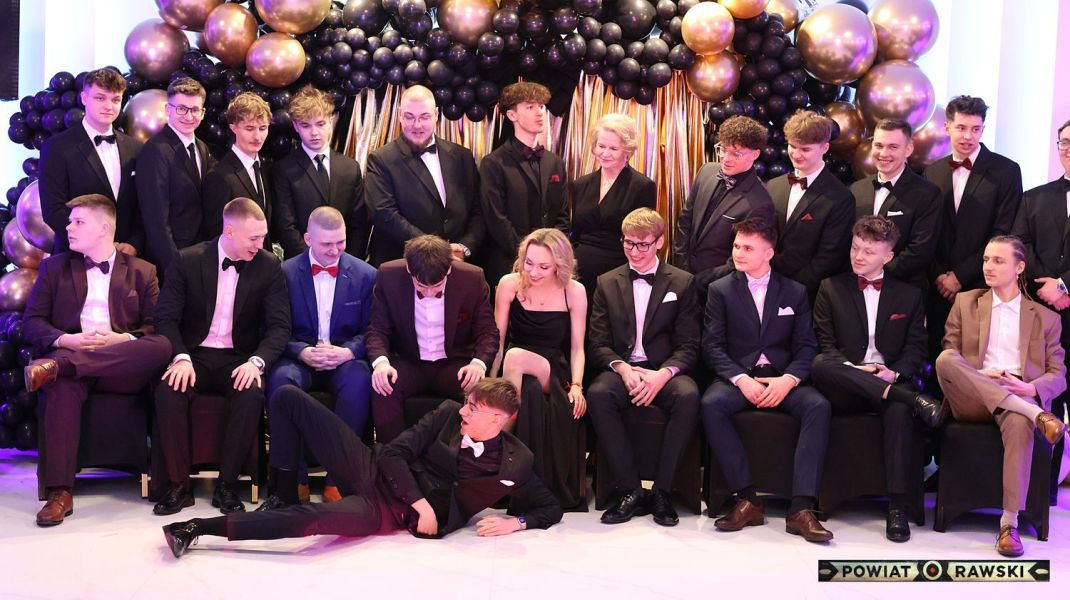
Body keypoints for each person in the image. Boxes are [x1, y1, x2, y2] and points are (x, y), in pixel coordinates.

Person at [162, 379, 563, 559]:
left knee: (312, 520)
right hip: (371, 468)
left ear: (498, 420)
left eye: (473, 408)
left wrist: (518, 522)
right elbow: (393, 454)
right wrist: (421, 502)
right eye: (467, 402)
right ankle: (282, 489)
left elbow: (551, 507)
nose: (464, 410)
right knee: (287, 396)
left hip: (384, 511)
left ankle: (197, 528)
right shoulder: (446, 413)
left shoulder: (516, 461)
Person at [22, 194, 172, 526]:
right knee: (62, 385)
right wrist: (68, 340)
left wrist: (123, 339)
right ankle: (60, 492)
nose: (68, 228)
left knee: (161, 346)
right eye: (69, 222)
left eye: (78, 222)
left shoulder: (143, 271)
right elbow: (31, 322)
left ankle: (62, 367)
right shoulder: (54, 268)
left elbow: (156, 326)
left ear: (104, 228)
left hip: (120, 365)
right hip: (73, 353)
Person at [152, 198, 291, 516]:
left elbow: (280, 327)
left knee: (251, 392)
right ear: (229, 231)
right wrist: (180, 357)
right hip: (194, 354)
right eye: (253, 238)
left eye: (262, 237)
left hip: (238, 357)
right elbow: (165, 318)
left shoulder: (268, 266)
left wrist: (256, 362)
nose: (260, 244)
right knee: (168, 390)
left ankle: (227, 485)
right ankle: (178, 486)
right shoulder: (187, 260)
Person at [701, 217, 833, 543]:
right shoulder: (720, 290)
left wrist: (788, 380)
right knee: (710, 404)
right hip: (740, 377)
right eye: (736, 246)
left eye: (748, 248)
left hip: (781, 378)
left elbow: (807, 346)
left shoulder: (795, 291)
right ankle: (747, 499)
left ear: (769, 253)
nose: (738, 253)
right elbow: (712, 346)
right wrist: (740, 379)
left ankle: (801, 508)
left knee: (818, 406)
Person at [811, 216, 942, 543]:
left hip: (889, 378)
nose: (858, 256)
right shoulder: (830, 288)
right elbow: (826, 346)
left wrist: (893, 373)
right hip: (846, 382)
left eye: (868, 252)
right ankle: (913, 399)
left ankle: (897, 506)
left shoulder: (909, 295)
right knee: (820, 364)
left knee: (898, 411)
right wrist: (853, 370)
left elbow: (916, 348)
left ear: (888, 256)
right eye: (855, 248)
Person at [935, 235, 1067, 557]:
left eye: (998, 260)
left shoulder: (1046, 318)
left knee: (1020, 422)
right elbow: (950, 354)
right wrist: (981, 376)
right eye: (985, 260)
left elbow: (1058, 374)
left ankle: (1009, 525)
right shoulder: (965, 302)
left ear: (1019, 267)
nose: (988, 267)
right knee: (945, 359)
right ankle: (1035, 413)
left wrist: (1031, 389)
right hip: (971, 394)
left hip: (1017, 393)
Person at [586, 208, 700, 527]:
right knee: (598, 394)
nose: (634, 251)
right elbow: (598, 342)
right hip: (624, 369)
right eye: (628, 243)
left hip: (663, 371)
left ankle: (662, 491)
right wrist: (623, 369)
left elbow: (689, 344)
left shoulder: (682, 282)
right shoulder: (607, 282)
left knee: (688, 396)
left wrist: (663, 375)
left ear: (660, 242)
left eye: (643, 244)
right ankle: (630, 490)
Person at [266, 206, 376, 503]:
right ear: (307, 239)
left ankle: (338, 481)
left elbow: (372, 329)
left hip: (343, 359)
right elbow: (273, 327)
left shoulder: (366, 275)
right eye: (327, 244)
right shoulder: (285, 273)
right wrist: (301, 351)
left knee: (360, 380)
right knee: (280, 382)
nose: (335, 250)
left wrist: (348, 352)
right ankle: (294, 479)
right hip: (298, 359)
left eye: (340, 242)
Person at [366, 235, 499, 443]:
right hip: (409, 361)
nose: (428, 292)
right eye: (421, 285)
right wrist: (381, 363)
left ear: (449, 270)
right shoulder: (388, 275)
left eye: (436, 286)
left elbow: (488, 332)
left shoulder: (472, 278)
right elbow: (377, 329)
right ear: (409, 269)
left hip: (454, 363)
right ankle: (392, 456)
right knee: (383, 386)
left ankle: (464, 456)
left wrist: (478, 364)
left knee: (478, 392)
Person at [491, 228, 587, 511]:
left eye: (543, 267)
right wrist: (489, 384)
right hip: (514, 368)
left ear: (560, 264)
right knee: (515, 363)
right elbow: (497, 342)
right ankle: (509, 462)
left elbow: (577, 348)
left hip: (552, 368)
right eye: (529, 263)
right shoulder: (509, 284)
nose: (533, 272)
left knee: (516, 357)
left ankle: (497, 440)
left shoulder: (574, 291)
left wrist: (577, 385)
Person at [925, 97, 1024, 365]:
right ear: (947, 127)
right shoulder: (932, 171)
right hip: (937, 288)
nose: (968, 136)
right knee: (937, 360)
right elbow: (927, 232)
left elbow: (1003, 232)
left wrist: (961, 276)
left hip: (981, 284)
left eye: (975, 129)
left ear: (983, 129)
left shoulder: (1006, 170)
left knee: (976, 364)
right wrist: (939, 276)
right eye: (961, 128)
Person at [1011, 117, 1070, 502]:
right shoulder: (1034, 197)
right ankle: (1041, 491)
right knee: (1046, 398)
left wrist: (1065, 285)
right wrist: (1047, 287)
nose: (1069, 149)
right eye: (1064, 142)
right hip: (1042, 313)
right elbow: (1020, 245)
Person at [365, 85, 483, 266]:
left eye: (424, 117)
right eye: (409, 117)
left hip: (458, 264)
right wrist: (436, 250)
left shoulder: (462, 156)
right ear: (399, 115)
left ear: (436, 115)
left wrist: (465, 246)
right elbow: (384, 215)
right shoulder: (381, 159)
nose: (417, 125)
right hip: (404, 264)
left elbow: (478, 210)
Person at [39, 67, 143, 256]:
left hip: (125, 256)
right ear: (84, 98)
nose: (109, 106)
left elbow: (142, 204)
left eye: (115, 100)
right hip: (75, 257)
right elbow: (53, 210)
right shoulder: (56, 147)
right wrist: (99, 243)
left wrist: (134, 243)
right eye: (100, 98)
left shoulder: (135, 148)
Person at [480, 82, 569, 285]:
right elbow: (497, 220)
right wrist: (528, 259)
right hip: (510, 265)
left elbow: (562, 216)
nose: (539, 113)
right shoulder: (493, 163)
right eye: (530, 107)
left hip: (551, 266)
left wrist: (552, 256)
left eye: (541, 106)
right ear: (512, 115)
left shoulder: (555, 162)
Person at [673, 115, 774, 290]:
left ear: (755, 154)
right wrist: (681, 269)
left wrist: (698, 281)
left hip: (715, 287)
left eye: (736, 153)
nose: (725, 158)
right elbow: (685, 221)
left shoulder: (760, 203)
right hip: (682, 275)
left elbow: (741, 259)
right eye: (723, 149)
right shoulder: (706, 171)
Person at [272, 86, 368, 260]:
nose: (314, 133)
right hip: (302, 263)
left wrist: (347, 262)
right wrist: (313, 262)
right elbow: (286, 226)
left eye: (320, 124)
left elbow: (359, 224)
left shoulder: (350, 167)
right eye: (306, 125)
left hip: (345, 263)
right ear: (295, 126)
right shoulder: (284, 169)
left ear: (331, 120)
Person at [569, 113, 656, 304]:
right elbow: (575, 233)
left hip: (618, 276)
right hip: (578, 276)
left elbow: (643, 239)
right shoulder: (580, 184)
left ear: (628, 150)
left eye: (613, 148)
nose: (605, 153)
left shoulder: (642, 186)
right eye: (601, 146)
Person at [767, 110, 854, 298]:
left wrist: (793, 291)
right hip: (765, 284)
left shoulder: (841, 197)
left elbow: (829, 257)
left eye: (805, 149)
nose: (796, 154)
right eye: (792, 146)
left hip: (806, 294)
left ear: (824, 148)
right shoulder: (774, 186)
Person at [850, 118, 941, 289]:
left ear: (908, 149)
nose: (884, 153)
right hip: (857, 286)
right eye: (878, 145)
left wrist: (876, 274)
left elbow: (920, 249)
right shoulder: (857, 189)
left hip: (903, 289)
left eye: (893, 147)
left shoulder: (927, 193)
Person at [137, 76, 216, 272]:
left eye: (195, 110)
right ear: (168, 109)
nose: (189, 117)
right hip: (173, 259)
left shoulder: (201, 147)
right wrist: (173, 265)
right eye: (181, 108)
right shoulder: (155, 150)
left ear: (203, 112)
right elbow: (155, 218)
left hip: (201, 253)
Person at [201, 92, 274, 249]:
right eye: (249, 128)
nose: (257, 136)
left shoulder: (264, 169)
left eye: (263, 128)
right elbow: (216, 235)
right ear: (233, 127)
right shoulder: (219, 176)